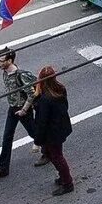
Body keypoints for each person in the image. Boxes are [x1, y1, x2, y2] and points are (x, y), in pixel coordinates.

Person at [0, 48, 40, 179]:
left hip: (23, 110)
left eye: (1, 61)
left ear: (9, 61)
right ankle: (3, 168)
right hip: (13, 108)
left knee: (34, 133)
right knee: (7, 137)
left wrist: (24, 110)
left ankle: (50, 151)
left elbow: (31, 94)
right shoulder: (5, 72)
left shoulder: (20, 75)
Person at [32, 66, 74, 196]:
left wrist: (37, 141)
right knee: (56, 155)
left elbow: (41, 120)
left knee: (57, 157)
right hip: (60, 128)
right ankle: (64, 178)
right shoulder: (60, 89)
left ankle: (67, 183)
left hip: (52, 133)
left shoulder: (45, 99)